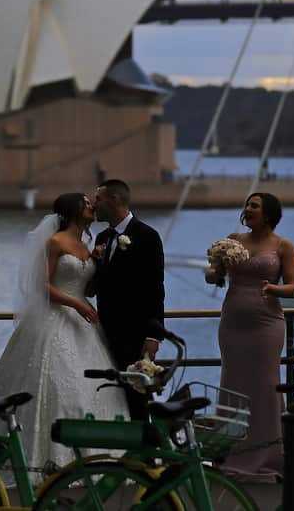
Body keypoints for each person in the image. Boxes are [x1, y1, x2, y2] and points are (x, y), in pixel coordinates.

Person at [0, 193, 128, 474]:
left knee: (94, 389)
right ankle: (45, 458)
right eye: (87, 203)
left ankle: (101, 457)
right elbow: (42, 287)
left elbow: (88, 288)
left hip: (85, 323)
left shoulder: (89, 245)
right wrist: (75, 303)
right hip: (56, 320)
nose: (92, 206)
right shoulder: (55, 242)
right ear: (74, 210)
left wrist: (98, 267)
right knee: (58, 386)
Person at [204, 192, 294, 481]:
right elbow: (214, 276)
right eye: (247, 204)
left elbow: (293, 288)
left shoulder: (284, 246)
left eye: (254, 205)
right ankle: (230, 451)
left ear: (268, 213)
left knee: (266, 385)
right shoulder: (234, 239)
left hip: (266, 323)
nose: (248, 209)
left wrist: (273, 289)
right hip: (233, 322)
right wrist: (213, 271)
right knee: (233, 383)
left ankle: (267, 455)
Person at [91, 178, 166, 419]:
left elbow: (155, 288)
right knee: (109, 394)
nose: (94, 205)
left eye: (98, 199)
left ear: (114, 200)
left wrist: (154, 335)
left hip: (135, 334)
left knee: (136, 399)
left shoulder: (147, 236)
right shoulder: (101, 238)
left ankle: (145, 455)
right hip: (103, 333)